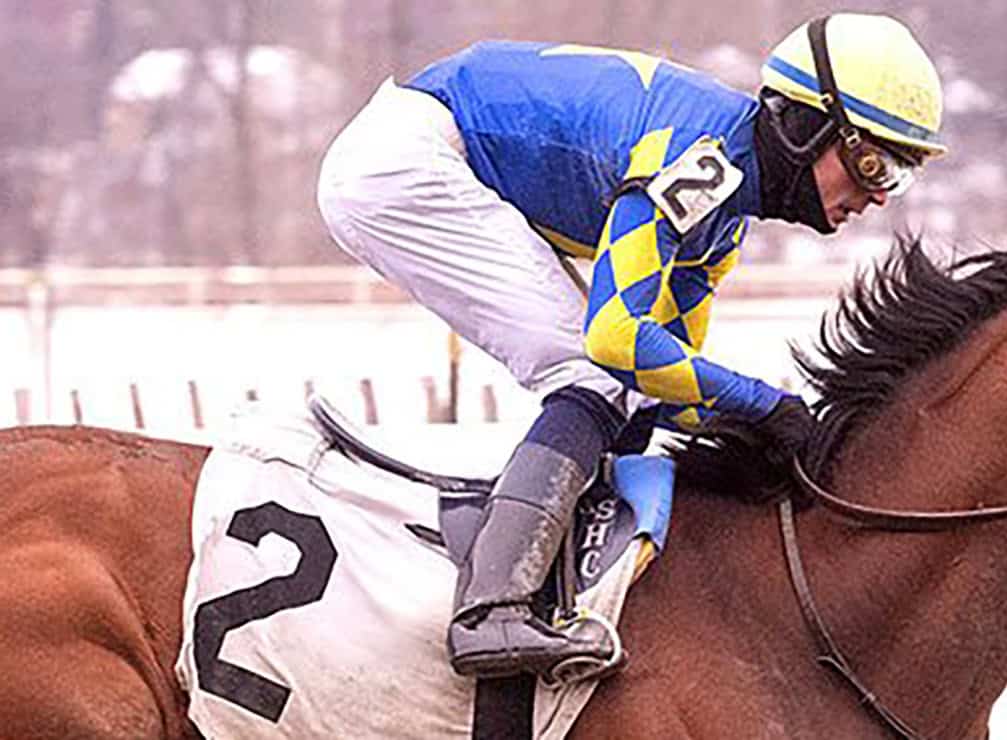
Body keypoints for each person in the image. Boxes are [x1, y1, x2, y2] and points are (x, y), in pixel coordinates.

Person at [315, 12, 946, 681]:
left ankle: (554, 578)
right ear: (802, 127)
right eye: (872, 162)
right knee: (588, 372)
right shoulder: (703, 160)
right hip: (406, 159)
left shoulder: (720, 225)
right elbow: (616, 341)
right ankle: (492, 610)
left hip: (427, 150)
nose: (877, 195)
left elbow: (660, 383)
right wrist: (764, 405)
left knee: (610, 386)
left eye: (898, 177)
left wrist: (772, 429)